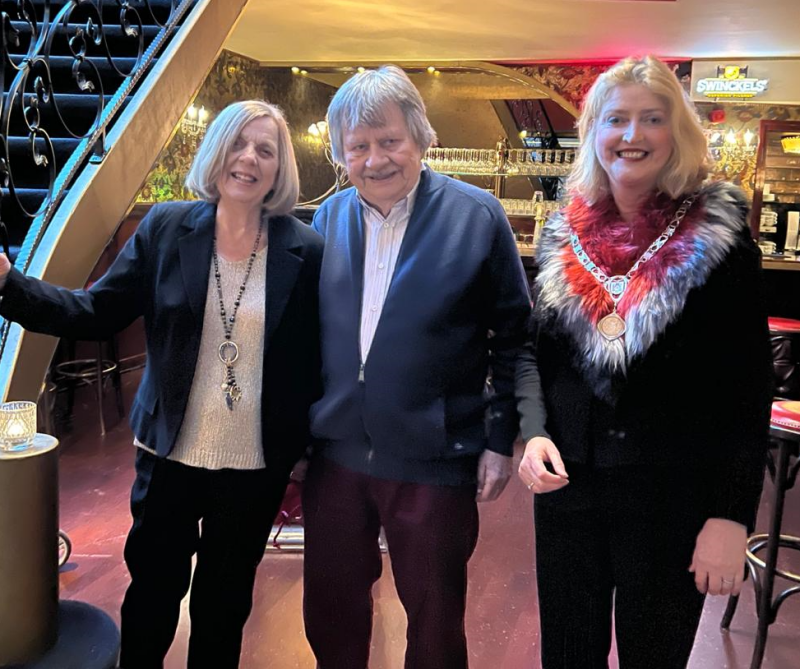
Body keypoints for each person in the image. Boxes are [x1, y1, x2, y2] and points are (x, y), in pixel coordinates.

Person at [0, 100, 323, 668]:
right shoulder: (166, 228)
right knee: (151, 595)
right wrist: (9, 285)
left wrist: (306, 451)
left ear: (280, 168)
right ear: (216, 151)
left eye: (265, 150)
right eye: (237, 143)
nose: (249, 158)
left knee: (224, 605)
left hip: (254, 465)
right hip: (169, 455)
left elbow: (312, 360)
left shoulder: (306, 250)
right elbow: (97, 311)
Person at [516, 56, 773, 668]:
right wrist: (532, 433)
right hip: (568, 487)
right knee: (567, 658)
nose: (632, 135)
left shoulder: (718, 234)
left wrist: (730, 517)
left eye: (652, 118)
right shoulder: (562, 231)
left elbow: (746, 385)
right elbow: (535, 353)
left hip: (671, 495)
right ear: (594, 133)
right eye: (616, 119)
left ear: (676, 132)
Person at [301, 65, 534, 668]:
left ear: (422, 138)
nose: (375, 159)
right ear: (339, 155)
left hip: (435, 456)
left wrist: (499, 440)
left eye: (390, 141)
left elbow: (515, 338)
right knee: (331, 614)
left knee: (434, 622)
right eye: (358, 146)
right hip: (337, 457)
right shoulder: (327, 220)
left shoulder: (477, 217)